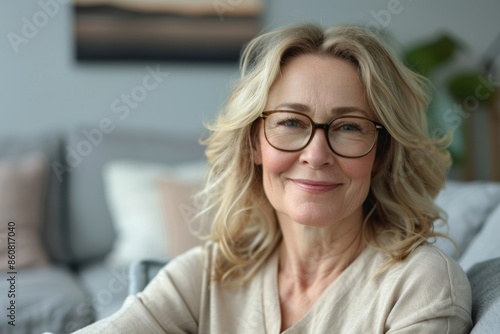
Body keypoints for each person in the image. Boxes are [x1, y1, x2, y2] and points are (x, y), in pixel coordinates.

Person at [70, 23, 472, 333]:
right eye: (291, 122)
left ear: (381, 154)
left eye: (348, 127)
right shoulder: (208, 275)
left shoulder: (421, 284)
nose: (316, 155)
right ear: (253, 144)